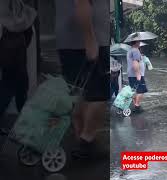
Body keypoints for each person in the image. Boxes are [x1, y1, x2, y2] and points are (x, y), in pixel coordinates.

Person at [55, 0, 109, 159]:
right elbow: (81, 3)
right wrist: (90, 39)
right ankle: (87, 141)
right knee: (99, 95)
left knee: (80, 93)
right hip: (87, 43)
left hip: (69, 42)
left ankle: (81, 141)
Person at [0, 0, 36, 122]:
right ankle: (25, 120)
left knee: (13, 82)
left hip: (12, 39)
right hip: (13, 40)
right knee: (15, 83)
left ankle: (24, 119)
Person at [127, 41, 148, 113]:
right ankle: (137, 106)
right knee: (142, 90)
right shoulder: (135, 50)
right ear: (136, 42)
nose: (139, 43)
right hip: (136, 75)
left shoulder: (129, 50)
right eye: (138, 41)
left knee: (134, 90)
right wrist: (138, 74)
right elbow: (135, 63)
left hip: (130, 74)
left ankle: (135, 106)